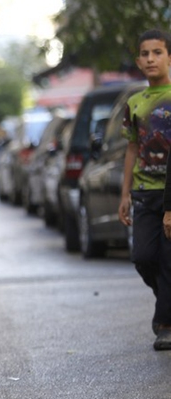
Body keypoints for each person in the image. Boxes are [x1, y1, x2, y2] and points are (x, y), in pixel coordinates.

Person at [118, 28, 171, 350]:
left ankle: (165, 323)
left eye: (158, 52)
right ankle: (167, 301)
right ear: (138, 61)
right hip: (144, 192)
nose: (151, 58)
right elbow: (131, 149)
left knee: (168, 261)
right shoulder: (134, 103)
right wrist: (124, 193)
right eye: (145, 53)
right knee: (144, 257)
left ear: (169, 56)